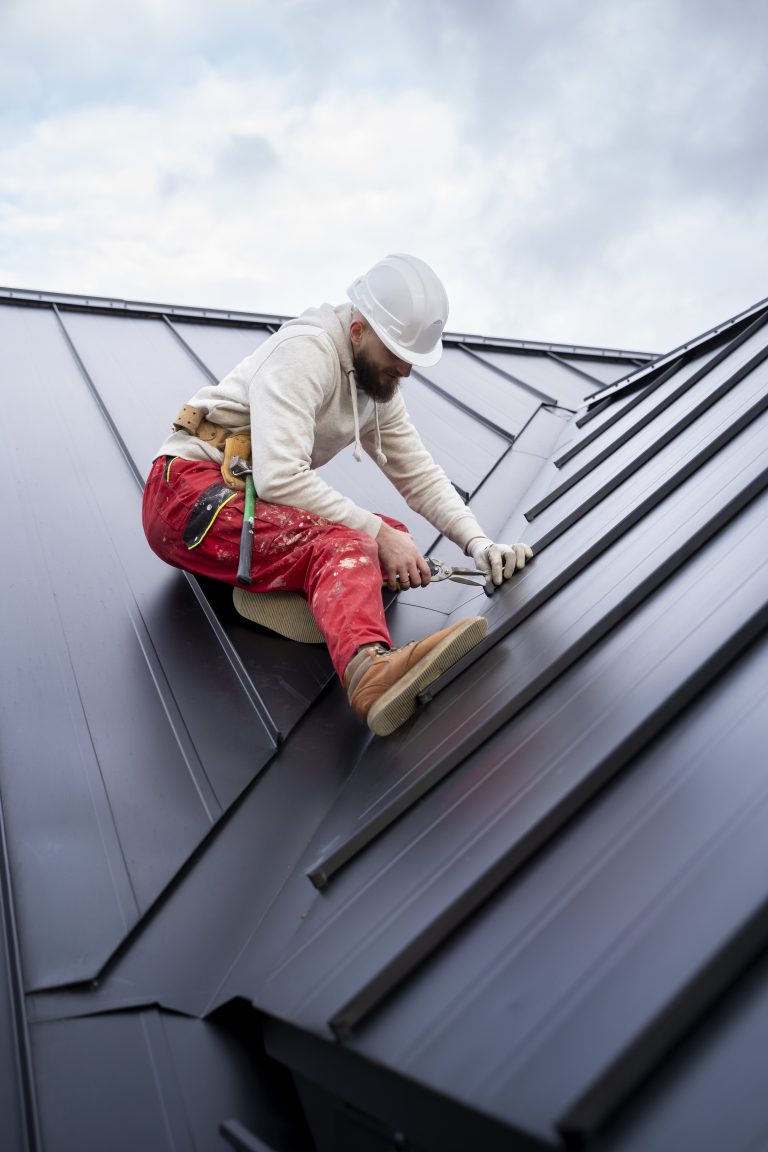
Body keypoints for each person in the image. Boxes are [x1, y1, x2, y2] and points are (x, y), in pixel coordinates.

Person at [142, 254, 532, 736]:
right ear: (358, 330)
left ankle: (291, 590)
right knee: (351, 544)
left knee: (392, 539)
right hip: (185, 495)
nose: (405, 370)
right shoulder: (306, 352)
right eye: (396, 353)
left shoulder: (376, 387)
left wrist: (480, 544)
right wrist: (371, 537)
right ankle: (370, 671)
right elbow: (281, 477)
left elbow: (420, 477)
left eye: (412, 358)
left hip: (241, 501)